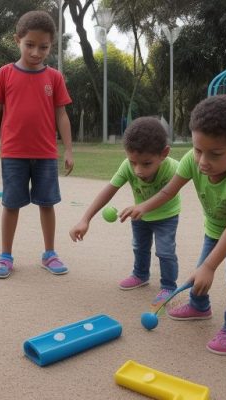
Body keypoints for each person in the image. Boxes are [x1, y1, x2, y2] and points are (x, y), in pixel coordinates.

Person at [122, 95, 226, 355]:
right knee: (201, 271)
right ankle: (199, 306)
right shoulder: (193, 159)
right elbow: (169, 191)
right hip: (215, 227)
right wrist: (143, 206)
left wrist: (210, 267)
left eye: (215, 153)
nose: (202, 161)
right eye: (198, 149)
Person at [0, 10, 74, 279]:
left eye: (43, 47)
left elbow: (62, 114)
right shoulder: (5, 74)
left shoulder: (54, 77)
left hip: (45, 154)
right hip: (13, 153)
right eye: (29, 45)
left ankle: (50, 254)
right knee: (11, 205)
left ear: (50, 46)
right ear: (17, 40)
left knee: (47, 203)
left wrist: (68, 149)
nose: (36, 52)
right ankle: (5, 256)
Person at [71, 117, 180, 304]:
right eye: (132, 162)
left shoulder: (174, 169)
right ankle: (140, 275)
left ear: (164, 153)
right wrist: (85, 219)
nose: (138, 170)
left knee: (165, 252)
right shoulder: (127, 166)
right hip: (139, 215)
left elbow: (167, 194)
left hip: (166, 216)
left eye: (146, 164)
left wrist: (143, 207)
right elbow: (108, 190)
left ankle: (169, 286)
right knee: (139, 247)